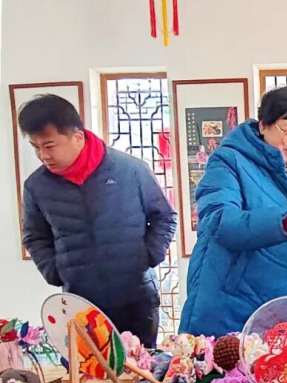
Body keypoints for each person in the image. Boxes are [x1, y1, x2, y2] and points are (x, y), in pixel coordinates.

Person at [180, 87, 287, 337]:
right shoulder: (229, 161)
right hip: (229, 312)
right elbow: (219, 222)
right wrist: (285, 223)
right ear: (263, 125)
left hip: (285, 320)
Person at [19, 94, 176, 347]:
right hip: (80, 303)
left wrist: (148, 256)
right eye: (36, 147)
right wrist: (55, 271)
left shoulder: (129, 170)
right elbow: (35, 236)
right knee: (89, 370)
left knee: (142, 368)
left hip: (136, 297)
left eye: (49, 145)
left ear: (77, 137)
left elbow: (165, 217)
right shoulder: (36, 186)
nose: (43, 155)